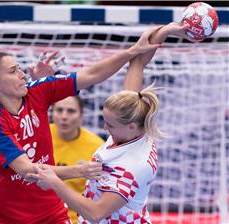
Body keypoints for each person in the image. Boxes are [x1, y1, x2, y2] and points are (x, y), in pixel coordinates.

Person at [0, 21, 173, 223]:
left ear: (132, 125)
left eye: (20, 68)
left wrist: (133, 51)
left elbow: (92, 74)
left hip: (52, 212)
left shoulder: (36, 91)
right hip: (9, 215)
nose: (23, 74)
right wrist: (79, 171)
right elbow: (27, 171)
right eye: (13, 71)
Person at [32, 23, 189, 224]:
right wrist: (166, 32)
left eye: (110, 125)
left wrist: (56, 183)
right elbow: (138, 64)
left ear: (131, 126)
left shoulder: (133, 166)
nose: (105, 129)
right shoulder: (135, 120)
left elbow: (96, 213)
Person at [51, 96, 105, 223]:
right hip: (41, 214)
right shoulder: (40, 136)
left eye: (71, 111)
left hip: (77, 218)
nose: (64, 116)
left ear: (81, 116)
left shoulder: (97, 147)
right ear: (52, 113)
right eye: (59, 110)